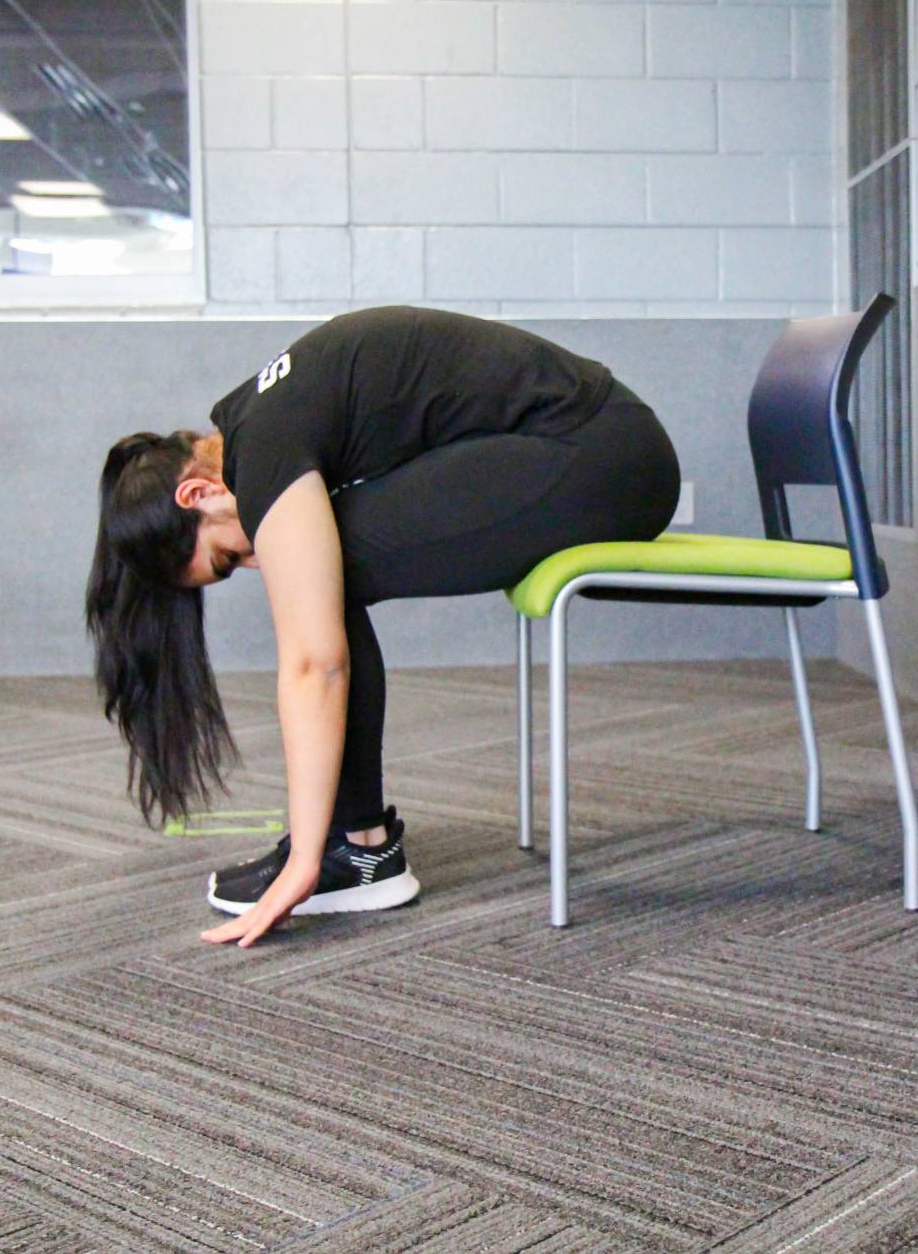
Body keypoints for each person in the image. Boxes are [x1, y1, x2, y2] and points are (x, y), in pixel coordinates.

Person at [84, 306, 682, 947]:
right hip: (602, 443)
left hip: (603, 458)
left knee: (323, 570)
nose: (255, 562)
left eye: (229, 557)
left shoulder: (265, 447)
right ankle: (356, 843)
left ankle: (353, 853)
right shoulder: (262, 417)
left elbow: (317, 663)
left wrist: (302, 865)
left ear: (197, 496)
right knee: (320, 564)